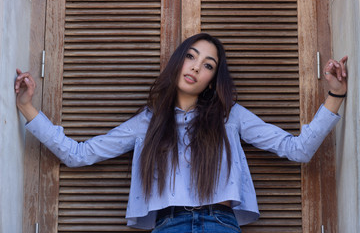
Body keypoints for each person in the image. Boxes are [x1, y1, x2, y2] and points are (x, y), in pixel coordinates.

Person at [15, 33, 348, 233]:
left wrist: (335, 95)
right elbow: (78, 154)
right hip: (168, 224)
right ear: (178, 61)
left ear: (212, 79)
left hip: (220, 223)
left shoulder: (230, 116)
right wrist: (27, 107)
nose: (195, 67)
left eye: (207, 65)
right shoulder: (147, 122)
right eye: (191, 56)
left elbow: (298, 149)